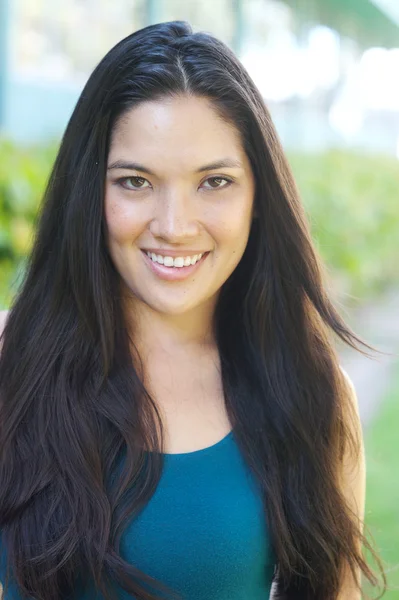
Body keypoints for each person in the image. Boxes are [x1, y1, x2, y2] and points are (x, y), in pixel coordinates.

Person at [0, 20, 386, 600]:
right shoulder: (13, 365)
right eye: (135, 181)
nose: (175, 226)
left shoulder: (311, 391)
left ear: (259, 198)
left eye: (215, 182)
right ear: (89, 193)